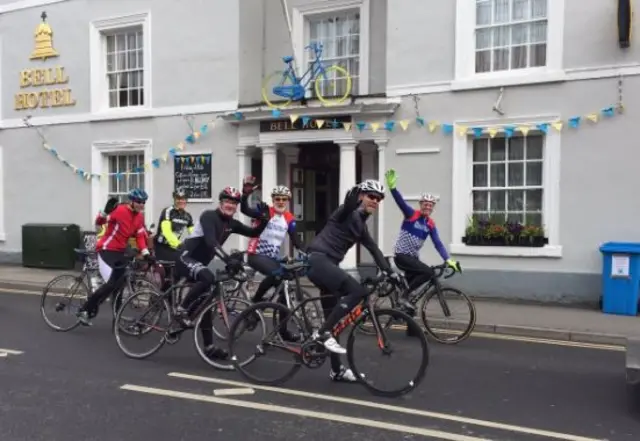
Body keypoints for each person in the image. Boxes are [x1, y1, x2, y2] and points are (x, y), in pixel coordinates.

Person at [305, 179, 400, 382]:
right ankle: (322, 333)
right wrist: (352, 198)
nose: (375, 201)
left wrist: (391, 272)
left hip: (328, 266)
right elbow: (347, 208)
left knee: (335, 319)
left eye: (378, 199)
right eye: (371, 196)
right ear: (361, 197)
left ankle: (336, 369)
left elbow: (374, 249)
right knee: (357, 292)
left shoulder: (361, 226)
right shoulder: (346, 213)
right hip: (319, 261)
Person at [173, 186, 270, 360]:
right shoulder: (209, 216)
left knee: (206, 303)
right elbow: (211, 243)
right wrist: (228, 260)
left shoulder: (231, 223)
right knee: (208, 278)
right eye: (227, 201)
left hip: (200, 263)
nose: (230, 205)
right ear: (220, 202)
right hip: (185, 257)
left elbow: (254, 232)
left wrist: (263, 219)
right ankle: (181, 309)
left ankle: (209, 347)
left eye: (234, 202)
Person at [384, 169, 461, 312]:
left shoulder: (430, 224)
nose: (427, 206)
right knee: (427, 273)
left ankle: (404, 314)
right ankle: (403, 296)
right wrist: (393, 188)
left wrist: (448, 259)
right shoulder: (411, 215)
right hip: (402, 256)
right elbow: (400, 202)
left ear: (433, 208)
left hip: (413, 258)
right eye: (425, 204)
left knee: (412, 299)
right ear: (421, 205)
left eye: (430, 205)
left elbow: (437, 243)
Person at [240, 177, 306, 341]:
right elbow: (245, 210)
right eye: (278, 199)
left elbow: (297, 241)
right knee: (279, 274)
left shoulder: (289, 218)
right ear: (273, 200)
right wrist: (245, 194)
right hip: (256, 255)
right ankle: (256, 304)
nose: (281, 201)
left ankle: (282, 331)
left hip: (271, 258)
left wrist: (310, 254)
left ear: (288, 201)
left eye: (284, 199)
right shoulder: (265, 211)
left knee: (285, 288)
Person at [77, 189, 152, 325]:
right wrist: (105, 212)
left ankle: (116, 320)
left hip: (120, 252)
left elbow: (140, 236)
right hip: (106, 250)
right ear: (132, 201)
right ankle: (85, 309)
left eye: (144, 202)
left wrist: (146, 253)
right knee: (111, 284)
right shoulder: (119, 210)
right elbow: (99, 222)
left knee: (120, 286)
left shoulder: (139, 217)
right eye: (139, 202)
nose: (142, 205)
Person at [154, 188, 194, 262]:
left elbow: (194, 233)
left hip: (174, 247)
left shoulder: (188, 216)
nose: (181, 201)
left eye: (183, 198)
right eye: (178, 198)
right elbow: (166, 232)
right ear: (174, 199)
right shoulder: (168, 211)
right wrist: (179, 245)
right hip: (162, 246)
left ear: (186, 200)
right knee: (180, 262)